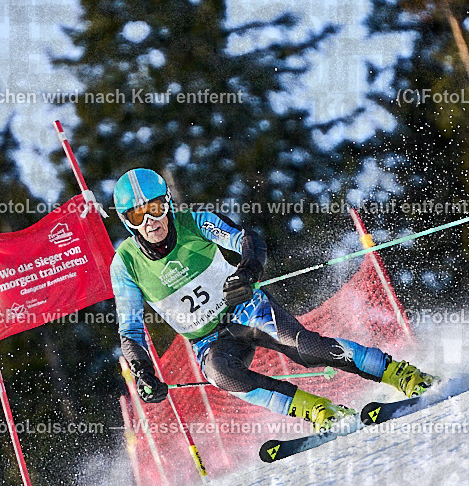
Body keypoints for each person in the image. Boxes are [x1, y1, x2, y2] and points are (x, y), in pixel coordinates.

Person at [110, 168, 435, 432]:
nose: (150, 221)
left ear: (167, 202)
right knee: (223, 374)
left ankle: (400, 373)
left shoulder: (193, 221)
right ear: (127, 221)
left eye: (154, 208)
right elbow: (131, 328)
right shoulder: (125, 264)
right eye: (137, 215)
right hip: (207, 340)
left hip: (245, 309)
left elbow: (246, 239)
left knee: (306, 349)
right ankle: (319, 410)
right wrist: (142, 372)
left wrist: (247, 272)